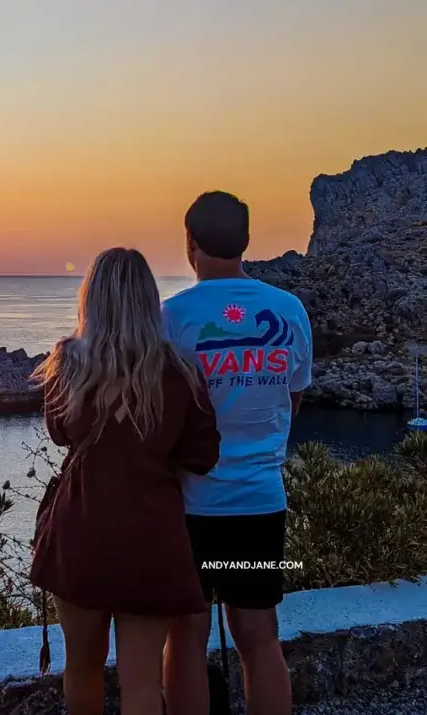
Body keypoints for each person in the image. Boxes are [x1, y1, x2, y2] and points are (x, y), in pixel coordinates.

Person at [29, 247, 221, 715]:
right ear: (148, 300)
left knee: (81, 670)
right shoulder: (179, 371)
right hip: (152, 539)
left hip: (81, 535)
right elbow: (202, 456)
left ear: (90, 299)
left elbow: (58, 433)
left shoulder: (67, 362)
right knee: (141, 682)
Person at [162, 191, 313, 715]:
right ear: (247, 242)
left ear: (191, 244)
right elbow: (291, 401)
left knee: (184, 637)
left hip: (190, 509)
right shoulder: (289, 311)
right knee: (258, 637)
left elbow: (158, 417)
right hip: (260, 502)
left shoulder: (171, 318)